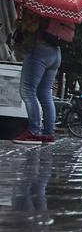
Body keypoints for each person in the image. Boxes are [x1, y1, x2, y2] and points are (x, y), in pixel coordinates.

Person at [13, 10, 67, 144]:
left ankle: (33, 131)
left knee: (27, 90)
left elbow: (30, 27)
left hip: (39, 49)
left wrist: (20, 24)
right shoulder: (56, 6)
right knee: (45, 93)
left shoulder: (37, 5)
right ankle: (48, 133)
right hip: (55, 52)